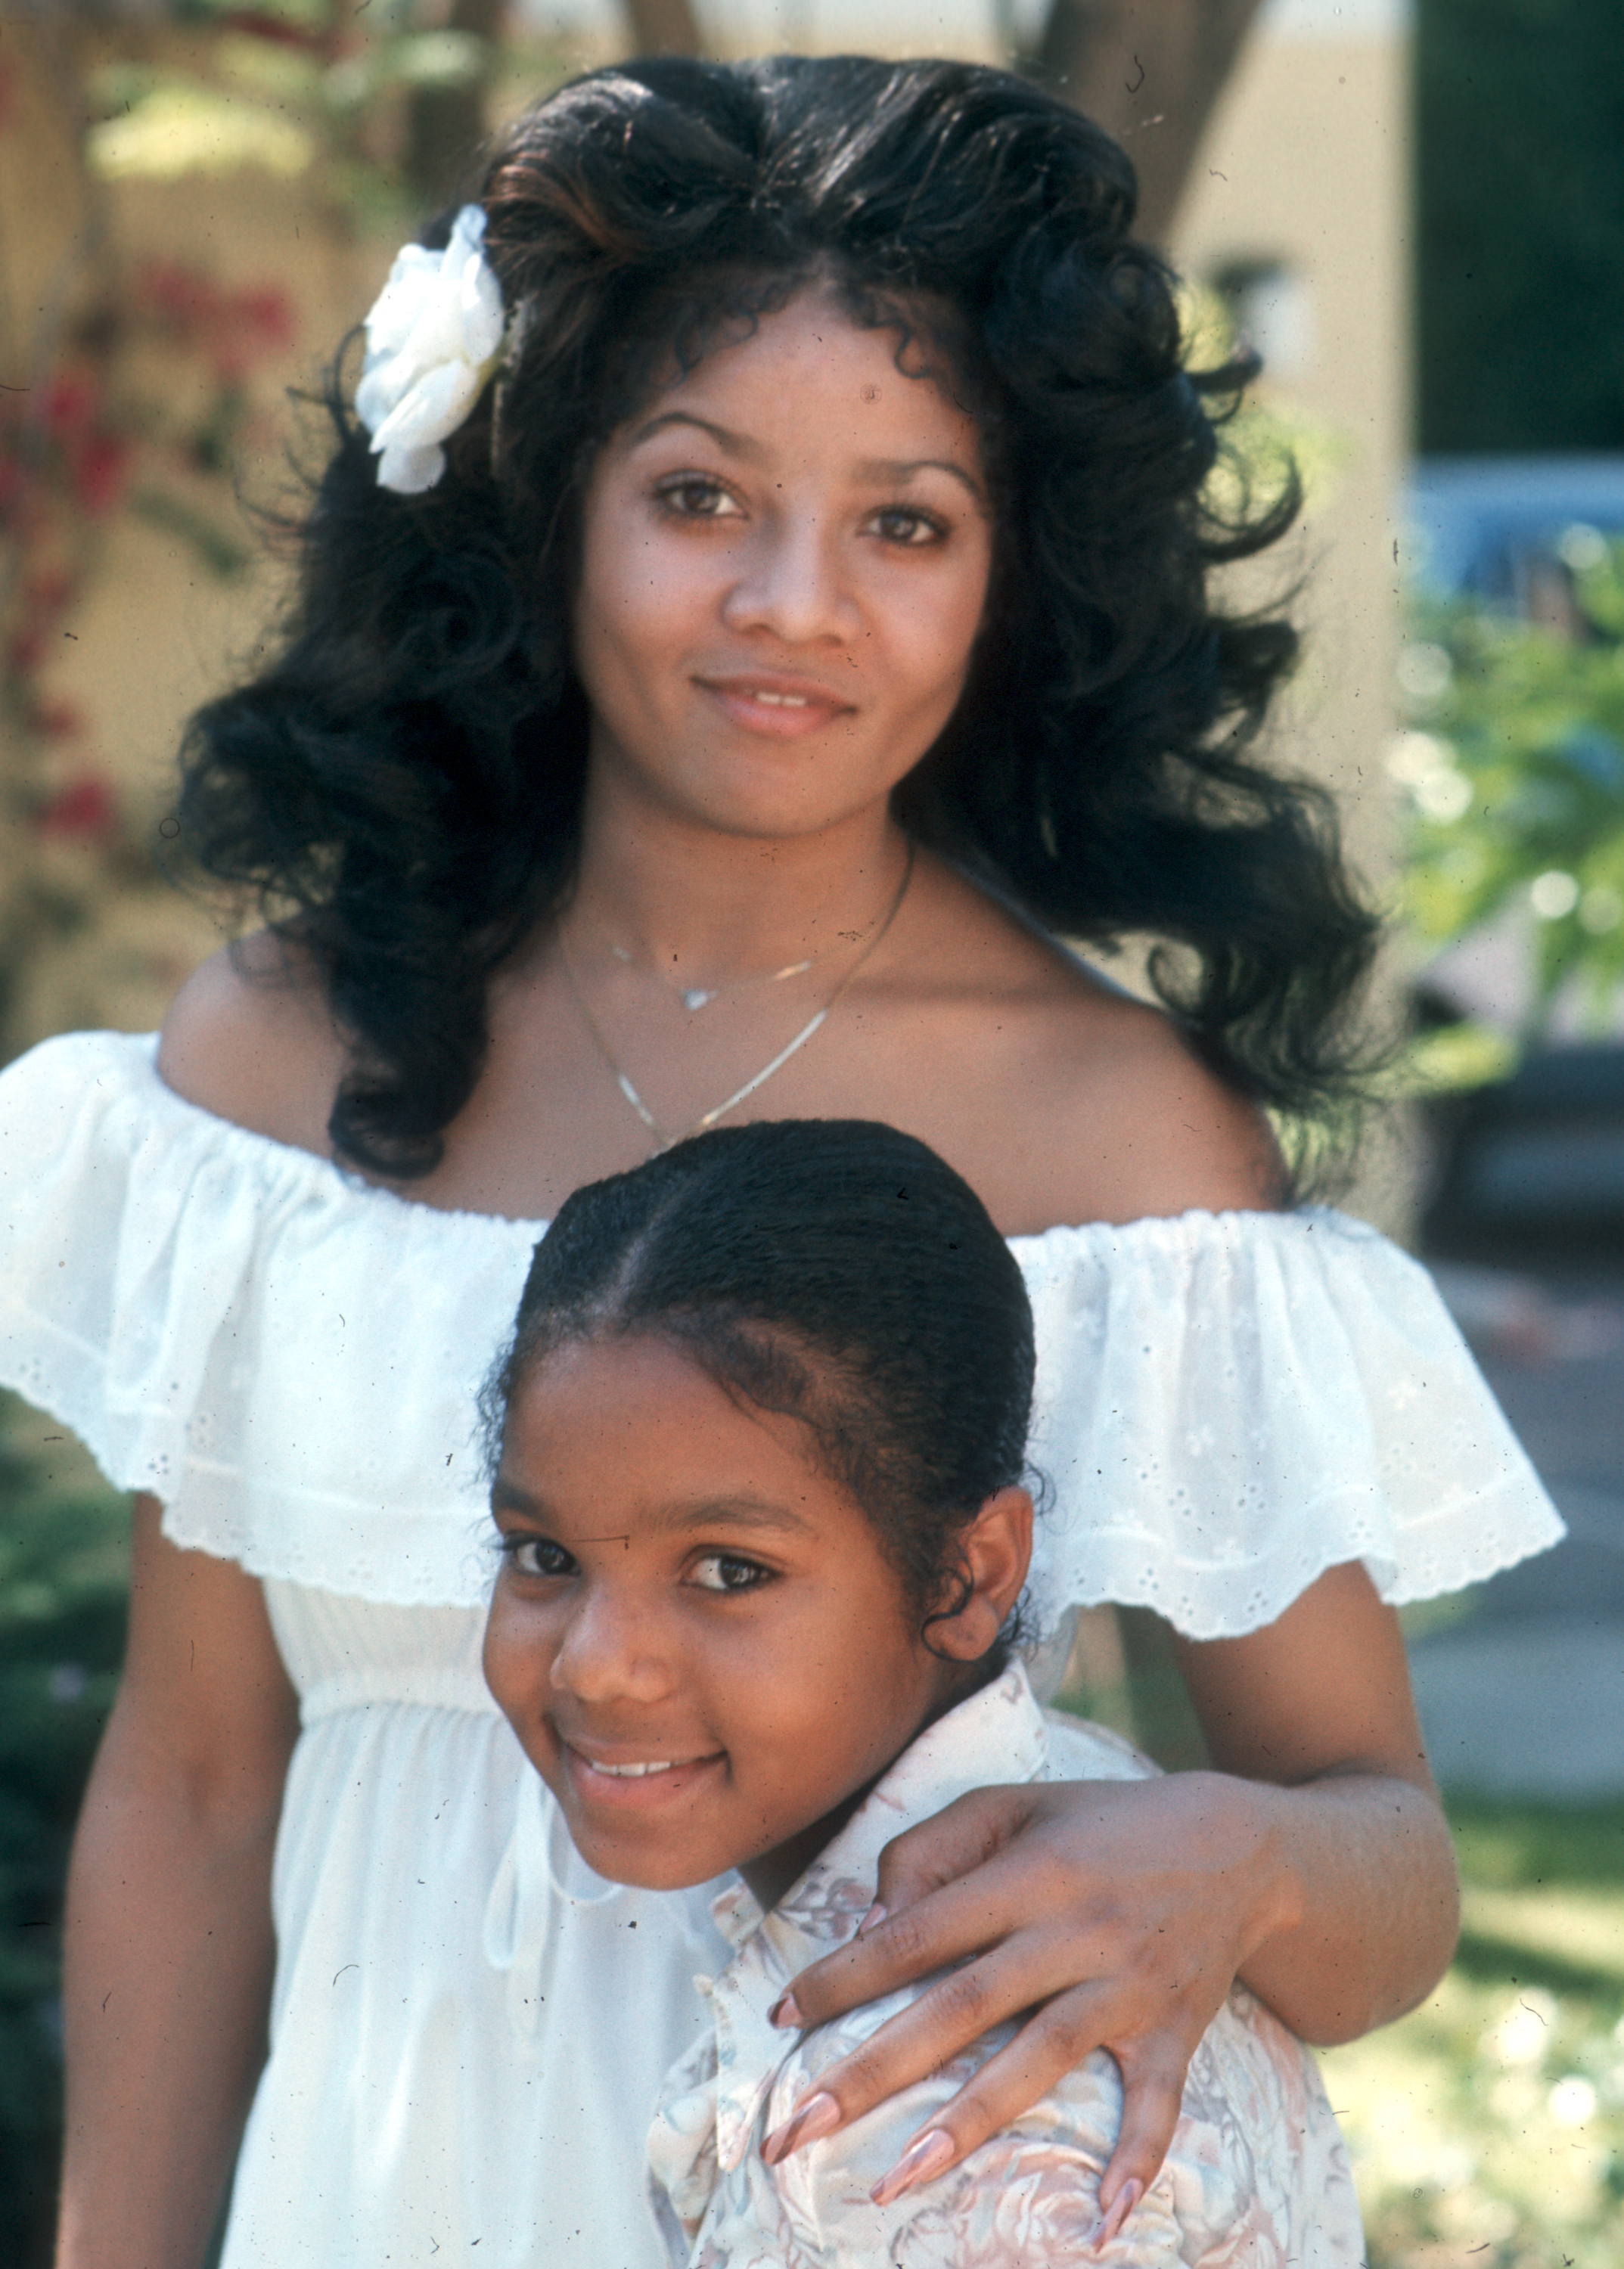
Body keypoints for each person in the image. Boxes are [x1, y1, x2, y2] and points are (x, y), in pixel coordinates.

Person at [0, 51, 1560, 2269]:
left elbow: (1384, 1865)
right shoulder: (281, 1072)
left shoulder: (1118, 1139)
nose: (793, 607)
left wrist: (1242, 1861)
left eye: (903, 522)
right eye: (703, 498)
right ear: (542, 508)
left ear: (1011, 579)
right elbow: (184, 1786)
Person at [481, 1114, 1365, 2265]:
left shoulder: (921, 2126)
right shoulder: (1109, 1810)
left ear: (970, 1570)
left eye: (729, 1572)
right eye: (545, 1557)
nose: (595, 1664)